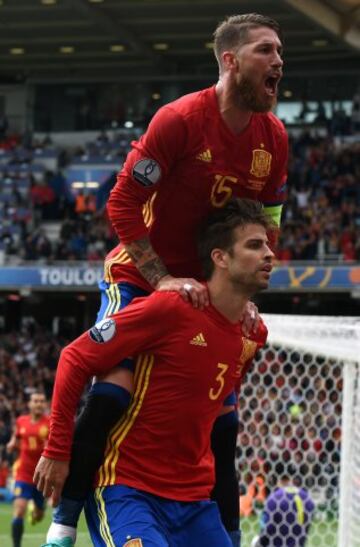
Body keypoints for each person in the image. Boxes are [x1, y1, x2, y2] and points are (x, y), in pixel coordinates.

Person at [40, 13, 288, 547]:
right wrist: (160, 277)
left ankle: (227, 531)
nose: (278, 61)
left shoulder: (275, 138)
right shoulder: (180, 120)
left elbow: (270, 219)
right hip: (139, 273)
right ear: (229, 61)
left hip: (207, 282)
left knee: (224, 424)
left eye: (279, 52)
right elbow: (121, 201)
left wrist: (242, 290)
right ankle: (64, 522)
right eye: (265, 51)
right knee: (111, 395)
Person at [35, 198, 273, 547]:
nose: (270, 253)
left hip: (194, 504)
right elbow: (75, 357)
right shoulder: (171, 308)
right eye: (255, 245)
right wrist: (57, 449)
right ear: (220, 258)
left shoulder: (254, 334)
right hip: (129, 492)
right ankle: (63, 525)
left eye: (267, 244)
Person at [6, 391, 50, 547]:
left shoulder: (50, 423)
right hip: (23, 474)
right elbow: (16, 436)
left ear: (45, 404)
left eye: (42, 401)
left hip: (41, 475)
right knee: (18, 511)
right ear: (30, 404)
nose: (39, 404)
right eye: (36, 401)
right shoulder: (21, 421)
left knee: (38, 516)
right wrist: (12, 444)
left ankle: (36, 509)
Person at [250, 465, 315, 547]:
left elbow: (267, 529)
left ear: (276, 478)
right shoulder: (306, 498)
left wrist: (258, 543)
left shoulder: (274, 498)